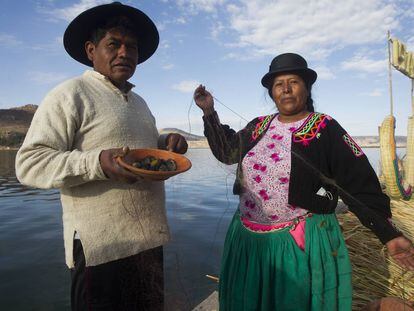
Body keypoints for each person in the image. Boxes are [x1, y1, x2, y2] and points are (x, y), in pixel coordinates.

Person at [194, 53, 414, 310]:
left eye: (293, 82)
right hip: (248, 240)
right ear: (272, 93)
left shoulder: (324, 127)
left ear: (306, 88)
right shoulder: (258, 126)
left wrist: (388, 233)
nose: (285, 89)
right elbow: (227, 151)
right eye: (278, 84)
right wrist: (209, 112)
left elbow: (358, 182)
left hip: (300, 242)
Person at [15, 2, 187, 310]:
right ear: (91, 50)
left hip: (149, 241)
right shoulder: (70, 93)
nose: (124, 52)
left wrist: (166, 142)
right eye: (114, 44)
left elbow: (138, 146)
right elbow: (29, 163)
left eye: (131, 46)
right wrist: (97, 163)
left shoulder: (140, 102)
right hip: (101, 248)